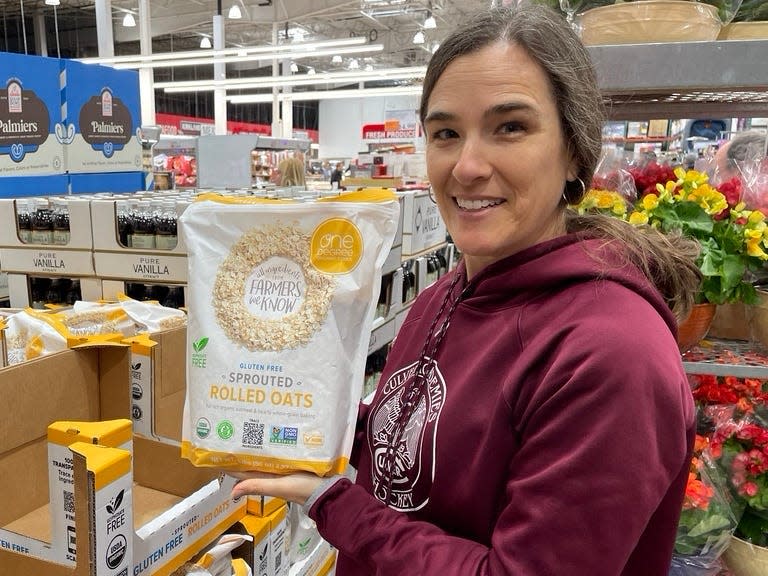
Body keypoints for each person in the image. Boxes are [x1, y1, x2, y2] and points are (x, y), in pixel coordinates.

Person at [230, 5, 701, 575]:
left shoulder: (611, 354)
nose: (468, 166)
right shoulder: (446, 295)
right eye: (446, 133)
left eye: (510, 127)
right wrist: (304, 415)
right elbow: (423, 446)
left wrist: (338, 507)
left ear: (575, 149)